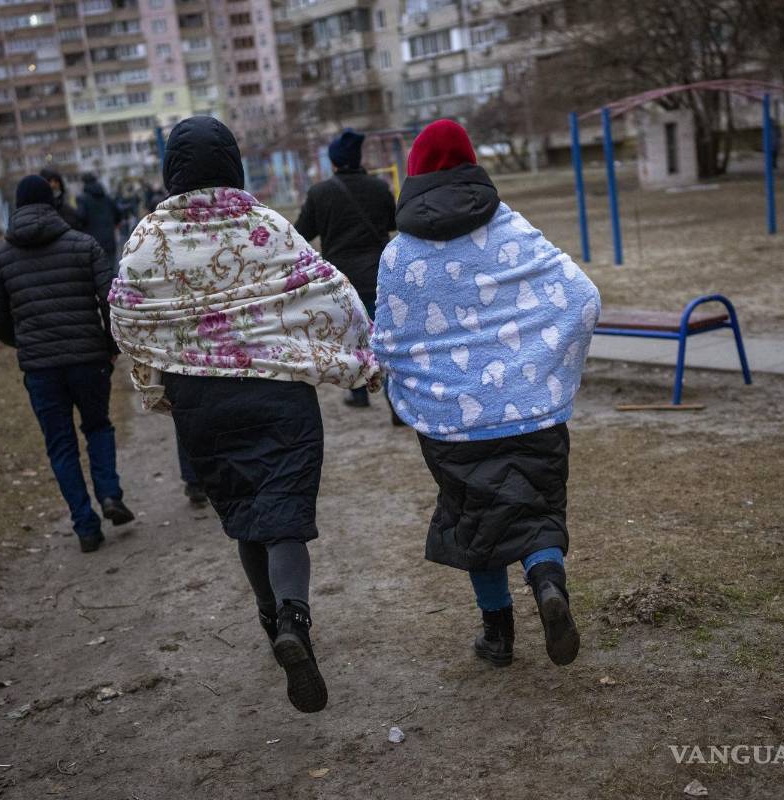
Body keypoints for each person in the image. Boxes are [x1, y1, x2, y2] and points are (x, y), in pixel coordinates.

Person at [108, 116, 377, 713]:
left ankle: (270, 622)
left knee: (246, 512)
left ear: (171, 167)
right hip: (279, 393)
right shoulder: (265, 223)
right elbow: (327, 288)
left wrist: (158, 377)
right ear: (234, 161)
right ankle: (293, 619)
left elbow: (124, 312)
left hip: (203, 401)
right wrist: (357, 355)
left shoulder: (151, 233)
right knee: (284, 511)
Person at [371, 120, 600, 669]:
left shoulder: (399, 255)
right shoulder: (513, 230)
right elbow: (581, 297)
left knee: (473, 520)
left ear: (414, 175)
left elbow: (387, 340)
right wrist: (541, 365)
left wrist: (421, 381)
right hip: (532, 411)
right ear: (474, 165)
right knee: (537, 508)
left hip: (452, 423)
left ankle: (497, 636)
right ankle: (548, 586)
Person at [0, 175, 134, 552]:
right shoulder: (83, 245)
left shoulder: (1, 256)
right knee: (98, 426)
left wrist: (23, 342)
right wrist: (110, 344)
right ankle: (110, 495)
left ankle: (85, 525)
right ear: (52, 202)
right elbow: (110, 300)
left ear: (17, 208)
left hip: (40, 368)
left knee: (61, 445)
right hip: (88, 359)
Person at [296, 129, 396, 410]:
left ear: (334, 162)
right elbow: (391, 222)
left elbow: (301, 232)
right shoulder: (379, 187)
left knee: (351, 338)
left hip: (341, 280)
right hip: (379, 273)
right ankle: (396, 404)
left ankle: (359, 394)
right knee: (384, 337)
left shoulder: (320, 193)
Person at [75, 172, 123, 269]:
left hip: (92, 243)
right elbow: (118, 214)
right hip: (110, 241)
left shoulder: (83, 199)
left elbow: (81, 218)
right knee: (111, 272)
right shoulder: (107, 198)